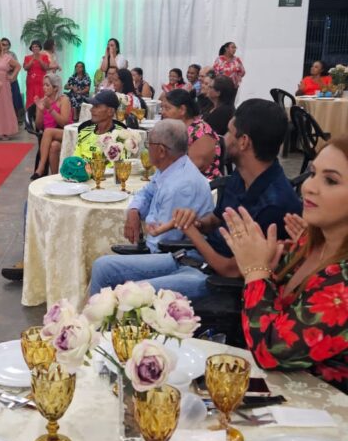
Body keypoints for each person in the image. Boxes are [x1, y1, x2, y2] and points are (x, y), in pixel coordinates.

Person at [89, 99, 302, 298]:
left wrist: (192, 232)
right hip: (195, 258)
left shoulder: (275, 205)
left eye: (229, 132)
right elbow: (216, 220)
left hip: (214, 280)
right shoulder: (242, 175)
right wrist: (197, 221)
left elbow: (231, 270)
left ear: (244, 142)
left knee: (128, 295)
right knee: (103, 267)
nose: (223, 139)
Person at [219, 137, 348, 391]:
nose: (309, 187)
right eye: (313, 173)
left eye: (331, 180)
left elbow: (269, 353)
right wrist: (267, 266)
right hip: (279, 391)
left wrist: (256, 270)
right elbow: (276, 307)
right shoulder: (311, 242)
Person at [89, 120, 214, 294]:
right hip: (170, 251)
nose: (147, 149)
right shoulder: (172, 167)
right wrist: (134, 211)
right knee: (103, 265)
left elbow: (162, 244)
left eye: (149, 144)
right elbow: (146, 192)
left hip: (180, 258)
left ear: (161, 151)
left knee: (104, 268)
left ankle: (97, 309)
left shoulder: (180, 187)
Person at [161, 87, 221, 179]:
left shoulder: (200, 131)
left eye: (167, 108)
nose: (162, 112)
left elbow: (193, 167)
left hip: (201, 182)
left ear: (182, 110)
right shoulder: (175, 128)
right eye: (162, 108)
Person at [30, 73, 73, 179]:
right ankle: (55, 177)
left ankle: (41, 167)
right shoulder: (43, 101)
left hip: (65, 133)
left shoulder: (64, 100)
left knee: (48, 131)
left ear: (55, 88)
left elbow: (64, 123)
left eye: (47, 85)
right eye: (43, 85)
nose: (44, 88)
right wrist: (40, 111)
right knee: (54, 146)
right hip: (49, 138)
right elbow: (39, 126)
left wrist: (50, 109)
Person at [74, 89, 126, 160]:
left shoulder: (121, 135)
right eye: (92, 106)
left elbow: (119, 164)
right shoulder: (84, 130)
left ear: (110, 111)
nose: (91, 110)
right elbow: (75, 158)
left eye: (96, 106)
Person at [23, 40, 51, 108]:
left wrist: (39, 60)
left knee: (42, 96)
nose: (35, 48)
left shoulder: (44, 57)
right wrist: (32, 59)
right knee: (30, 97)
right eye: (33, 47)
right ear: (31, 48)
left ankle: (42, 112)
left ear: (39, 48)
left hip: (41, 81)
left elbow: (46, 68)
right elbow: (26, 68)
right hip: (31, 81)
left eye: (36, 46)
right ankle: (30, 112)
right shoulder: (27, 57)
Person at [1, 37, 24, 121]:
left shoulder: (12, 55)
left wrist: (12, 75)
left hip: (12, 80)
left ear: (9, 46)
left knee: (14, 100)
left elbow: (16, 66)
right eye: (2, 44)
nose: (4, 46)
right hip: (0, 82)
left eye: (6, 45)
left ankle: (15, 118)